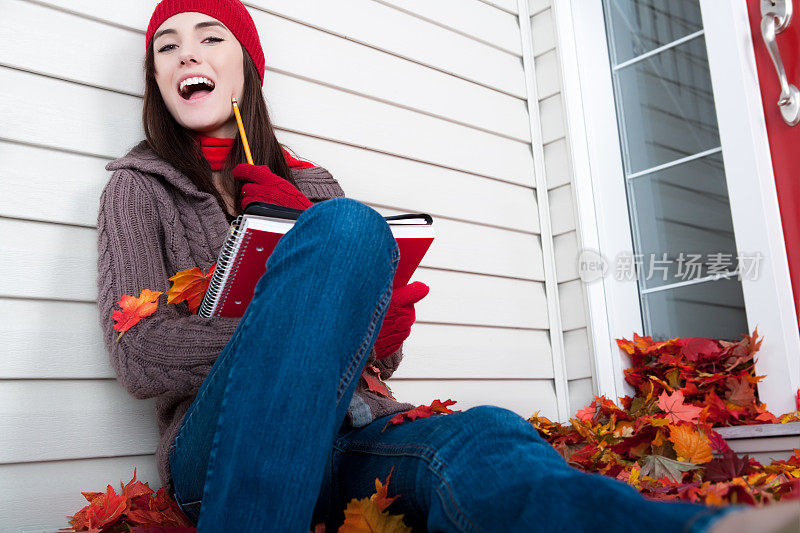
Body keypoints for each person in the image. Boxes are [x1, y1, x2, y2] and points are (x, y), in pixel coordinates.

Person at [96, 1, 799, 531]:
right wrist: (297, 312)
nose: (187, 54)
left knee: (486, 434)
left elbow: (383, 358)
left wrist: (376, 318)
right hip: (219, 448)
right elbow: (140, 356)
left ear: (247, 64)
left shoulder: (313, 184)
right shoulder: (139, 187)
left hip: (352, 432)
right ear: (157, 77)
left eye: (210, 37)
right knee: (346, 229)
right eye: (167, 46)